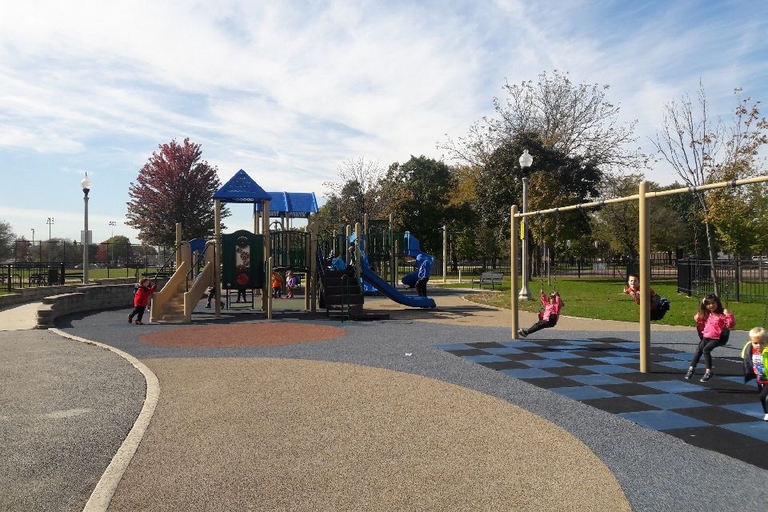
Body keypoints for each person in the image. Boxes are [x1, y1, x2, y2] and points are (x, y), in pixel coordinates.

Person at [684, 293, 736, 382]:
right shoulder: (708, 314)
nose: (711, 305)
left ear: (717, 303)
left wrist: (728, 315)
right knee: (698, 350)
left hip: (718, 337)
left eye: (713, 303)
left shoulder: (721, 314)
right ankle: (691, 368)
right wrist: (697, 317)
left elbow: (730, 324)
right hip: (707, 336)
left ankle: (708, 371)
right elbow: (700, 322)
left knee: (706, 350)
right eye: (708, 304)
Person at [741, 327, 768, 421]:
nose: (758, 345)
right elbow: (746, 359)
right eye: (755, 343)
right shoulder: (750, 350)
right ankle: (766, 412)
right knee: (761, 397)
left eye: (762, 343)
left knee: (763, 395)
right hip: (760, 376)